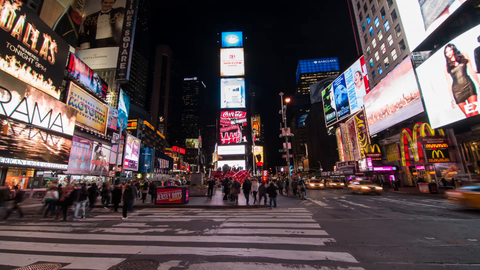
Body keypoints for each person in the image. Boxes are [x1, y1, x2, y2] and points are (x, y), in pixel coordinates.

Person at [444, 43, 480, 118]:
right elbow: (449, 83)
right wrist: (451, 99)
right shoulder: (446, 67)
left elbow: (471, 70)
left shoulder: (463, 56)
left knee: (474, 113)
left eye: (450, 50)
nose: (448, 53)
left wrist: (479, 84)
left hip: (468, 86)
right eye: (446, 52)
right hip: (457, 92)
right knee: (468, 116)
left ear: (453, 49)